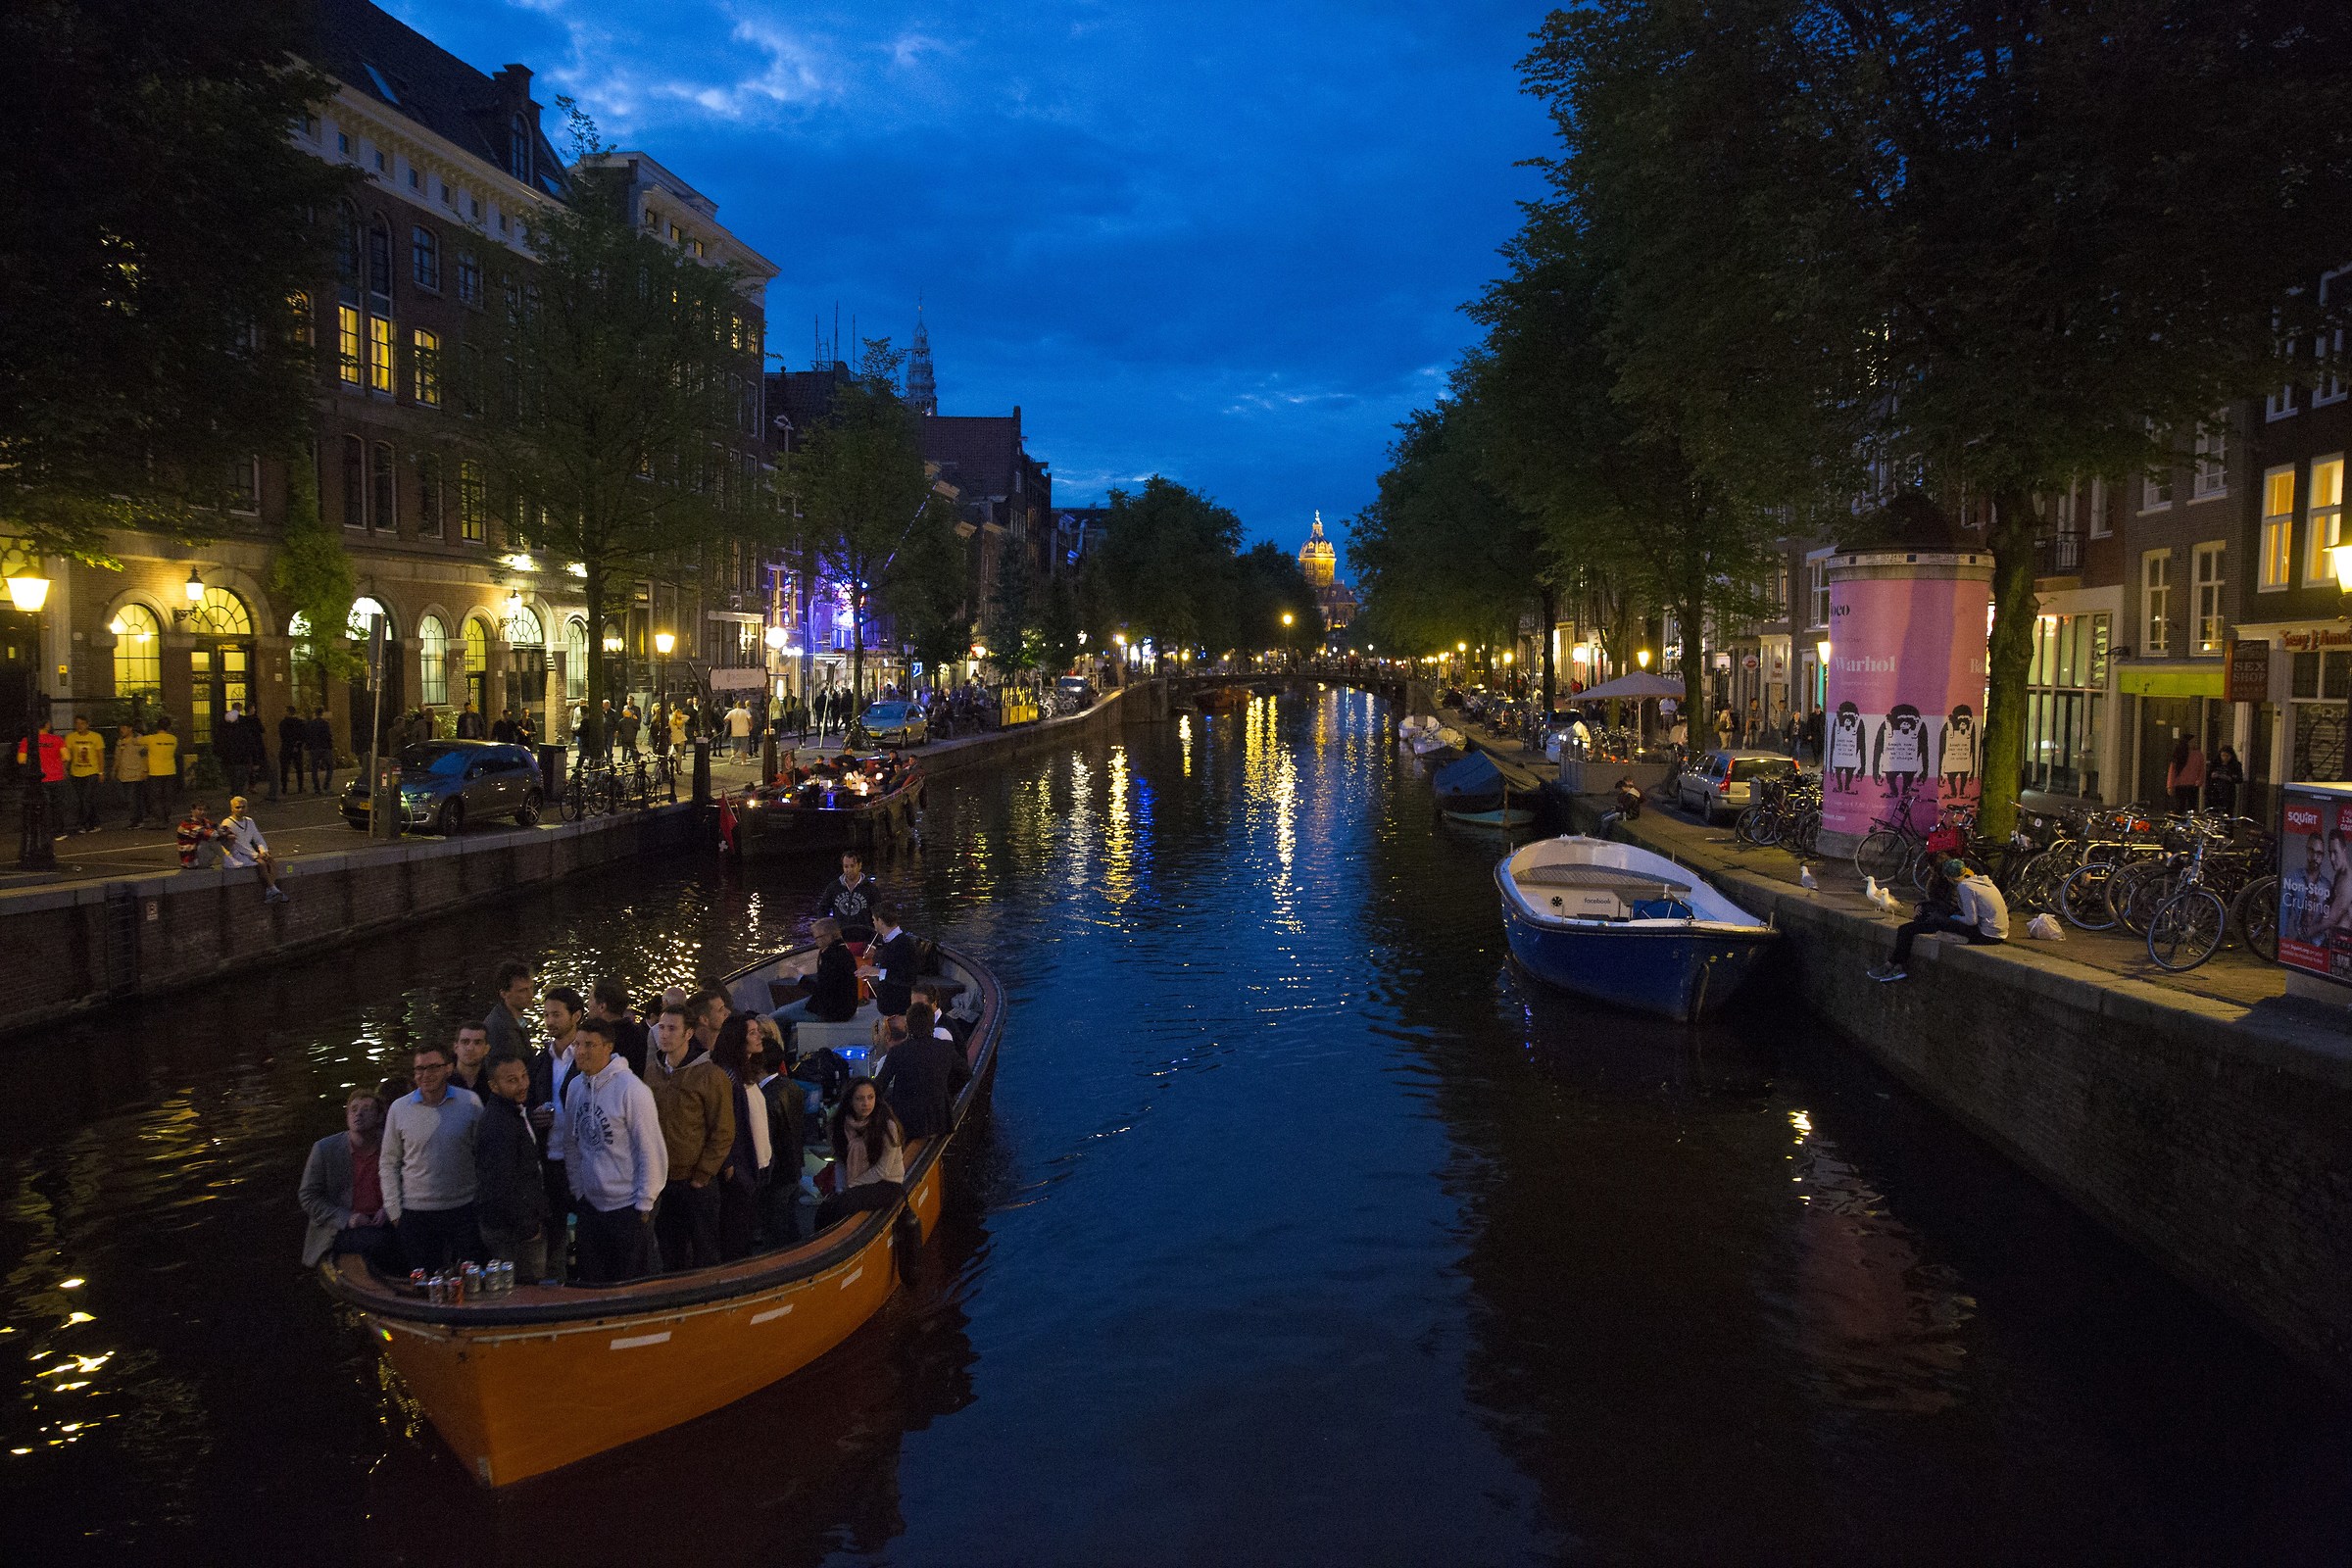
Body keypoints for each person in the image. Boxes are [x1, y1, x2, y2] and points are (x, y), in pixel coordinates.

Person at [550, 1017, 665, 1283]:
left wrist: (644, 1203)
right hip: (591, 1206)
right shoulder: (576, 1088)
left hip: (628, 1206)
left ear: (608, 1047)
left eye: (589, 1045)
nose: (581, 1051)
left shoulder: (632, 1090)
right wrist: (579, 1190)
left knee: (630, 1283)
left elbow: (649, 1148)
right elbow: (571, 1143)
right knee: (592, 1280)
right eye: (578, 1044)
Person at [645, 1003, 734, 1271]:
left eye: (672, 1029)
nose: (665, 1034)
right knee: (669, 1250)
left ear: (688, 1034)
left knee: (704, 1249)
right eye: (661, 1028)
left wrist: (703, 1174)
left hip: (695, 1182)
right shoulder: (652, 1071)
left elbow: (723, 1129)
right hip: (661, 1180)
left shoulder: (710, 1075)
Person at [379, 1042, 484, 1271]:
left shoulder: (470, 1103)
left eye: (433, 1068)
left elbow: (483, 1154)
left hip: (463, 1208)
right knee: (426, 1283)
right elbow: (389, 1162)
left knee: (473, 1277)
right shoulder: (399, 1109)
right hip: (416, 1214)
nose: (425, 1075)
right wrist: (394, 1211)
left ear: (448, 1069)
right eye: (420, 1069)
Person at [298, 1089, 399, 1272]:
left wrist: (388, 1208)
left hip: (385, 1218)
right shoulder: (324, 1149)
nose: (358, 1113)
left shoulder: (391, 1144)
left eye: (366, 1109)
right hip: (341, 1227)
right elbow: (308, 1196)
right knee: (380, 1242)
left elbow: (406, 1182)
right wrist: (347, 1218)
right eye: (353, 1109)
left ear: (379, 1117)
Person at [474, 1054, 552, 1281]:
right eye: (512, 1080)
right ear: (493, 1086)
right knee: (525, 1289)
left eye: (524, 1076)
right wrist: (528, 1227)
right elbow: (501, 1184)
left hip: (515, 1221)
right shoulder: (499, 1125)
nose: (522, 1084)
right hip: (513, 1230)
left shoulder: (516, 1111)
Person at [1869, 858, 2010, 982]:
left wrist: (1950, 919)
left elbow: (1970, 920)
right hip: (1997, 933)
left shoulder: (1964, 887)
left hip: (1987, 935)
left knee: (1917, 926)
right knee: (1920, 925)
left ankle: (1893, 965)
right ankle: (1896, 965)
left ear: (1948, 877)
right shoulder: (1980, 882)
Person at [708, 1015, 769, 1261]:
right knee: (735, 1234)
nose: (759, 1036)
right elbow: (723, 1122)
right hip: (739, 1170)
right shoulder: (728, 1077)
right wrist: (730, 1164)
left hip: (754, 1166)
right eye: (753, 1032)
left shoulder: (747, 1074)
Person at [814, 1080, 905, 1232]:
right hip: (856, 1183)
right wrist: (841, 1190)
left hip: (887, 1183)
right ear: (850, 1101)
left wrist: (850, 1187)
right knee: (825, 1208)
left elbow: (882, 1170)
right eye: (860, 1098)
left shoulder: (887, 1126)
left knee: (845, 1204)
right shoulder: (842, 1125)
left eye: (870, 1097)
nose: (866, 1103)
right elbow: (841, 1162)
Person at [874, 1001, 971, 1142]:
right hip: (940, 1122)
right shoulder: (946, 1048)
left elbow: (879, 1086)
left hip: (907, 1123)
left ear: (909, 1027)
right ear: (932, 1024)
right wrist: (946, 1092)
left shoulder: (897, 1052)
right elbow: (966, 1074)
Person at [755, 1025, 805, 1246]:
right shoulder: (791, 1087)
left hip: (776, 1175)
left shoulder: (764, 1098)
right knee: (790, 1224)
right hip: (793, 1167)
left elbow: (768, 1141)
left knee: (778, 1230)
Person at [771, 917, 859, 1033]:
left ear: (828, 936)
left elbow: (821, 991)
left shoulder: (832, 957)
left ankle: (778, 1048)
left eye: (817, 938)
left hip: (833, 1011)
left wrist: (797, 975)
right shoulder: (841, 950)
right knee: (783, 1010)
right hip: (841, 1004)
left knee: (775, 1017)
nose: (815, 942)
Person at [219, 795, 288, 903]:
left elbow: (258, 838)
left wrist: (264, 851)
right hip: (236, 854)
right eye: (238, 807)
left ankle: (271, 889)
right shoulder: (227, 823)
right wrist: (255, 855)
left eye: (243, 807)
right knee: (262, 864)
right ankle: (273, 890)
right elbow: (236, 844)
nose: (241, 810)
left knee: (271, 861)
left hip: (249, 852)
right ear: (232, 808)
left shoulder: (249, 821)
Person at [859, 905, 920, 1018]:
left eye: (874, 920)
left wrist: (876, 972)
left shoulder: (903, 944)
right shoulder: (890, 942)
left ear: (881, 921)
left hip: (898, 1009)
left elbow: (906, 977)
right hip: (890, 1007)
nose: (873, 923)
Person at [587, 978, 650, 1079]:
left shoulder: (598, 1039)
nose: (588, 1004)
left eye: (590, 999)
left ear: (602, 1006)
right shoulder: (641, 1035)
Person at [814, 851, 880, 943]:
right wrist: (827, 931)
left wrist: (873, 943)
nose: (849, 870)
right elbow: (822, 909)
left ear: (859, 866)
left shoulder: (871, 889)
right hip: (840, 940)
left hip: (865, 939)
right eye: (846, 866)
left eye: (852, 866)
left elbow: (879, 915)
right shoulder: (833, 887)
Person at [484, 960, 536, 1057]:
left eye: (531, 988)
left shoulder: (516, 1017)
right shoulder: (500, 1029)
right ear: (504, 994)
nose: (531, 995)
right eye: (522, 991)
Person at [64, 714, 106, 832]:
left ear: (87, 724)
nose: (79, 726)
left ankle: (82, 823)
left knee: (86, 798)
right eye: (77, 723)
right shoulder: (71, 737)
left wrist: (101, 772)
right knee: (83, 799)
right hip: (76, 772)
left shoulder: (96, 737)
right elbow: (69, 755)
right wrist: (65, 768)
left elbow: (100, 755)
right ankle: (94, 822)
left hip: (91, 771)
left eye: (82, 723)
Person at [114, 720, 150, 829]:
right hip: (124, 774)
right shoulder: (120, 741)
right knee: (132, 798)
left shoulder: (139, 740)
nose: (122, 730)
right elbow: (117, 757)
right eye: (121, 728)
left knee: (133, 798)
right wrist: (115, 770)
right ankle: (138, 819)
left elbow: (145, 756)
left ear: (130, 728)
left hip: (136, 773)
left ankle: (135, 820)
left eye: (124, 728)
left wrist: (145, 770)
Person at [2166, 735, 2207, 815]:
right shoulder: (2179, 754)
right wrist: (2170, 785)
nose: (2194, 743)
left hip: (2192, 785)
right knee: (2179, 806)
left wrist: (2199, 781)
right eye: (2191, 742)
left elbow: (2201, 769)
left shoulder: (2199, 755)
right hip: (2179, 784)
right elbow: (2172, 771)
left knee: (2191, 807)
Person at [449, 1021, 492, 1097]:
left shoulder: (493, 1083)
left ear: (486, 1049)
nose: (470, 1048)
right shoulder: (442, 1081)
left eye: (477, 1042)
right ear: (456, 1047)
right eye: (465, 1042)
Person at [145, 717, 179, 808]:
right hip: (170, 770)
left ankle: (160, 815)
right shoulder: (173, 739)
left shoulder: (150, 739)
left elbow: (135, 741)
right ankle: (167, 813)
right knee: (168, 795)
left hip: (155, 771)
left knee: (156, 796)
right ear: (169, 727)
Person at [175, 799, 220, 869]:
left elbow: (221, 828)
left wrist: (227, 833)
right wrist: (222, 833)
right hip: (191, 861)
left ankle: (233, 858)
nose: (203, 812)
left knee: (225, 838)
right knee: (211, 841)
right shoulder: (186, 825)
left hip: (200, 858)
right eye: (199, 809)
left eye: (205, 810)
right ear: (192, 810)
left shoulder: (205, 822)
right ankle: (228, 860)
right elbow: (211, 835)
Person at [2207, 745, 2245, 817]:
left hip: (2228, 793)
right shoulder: (2215, 764)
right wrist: (2213, 776)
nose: (2225, 758)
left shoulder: (2236, 765)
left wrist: (2229, 778)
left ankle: (2228, 827)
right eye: (2223, 755)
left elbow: (2240, 779)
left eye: (2227, 756)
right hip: (2215, 791)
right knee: (2214, 813)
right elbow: (2208, 776)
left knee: (2228, 813)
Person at [277, 710, 308, 797]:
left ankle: (284, 788)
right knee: (299, 768)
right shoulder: (300, 723)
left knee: (284, 769)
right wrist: (297, 745)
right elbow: (303, 736)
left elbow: (282, 736)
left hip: (286, 747)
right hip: (296, 748)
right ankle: (300, 787)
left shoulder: (283, 723)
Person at [306, 708, 335, 795]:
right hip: (325, 748)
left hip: (314, 748)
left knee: (314, 768)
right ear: (322, 713)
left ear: (315, 713)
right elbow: (328, 736)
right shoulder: (325, 724)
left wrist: (309, 746)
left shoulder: (310, 724)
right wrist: (330, 746)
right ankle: (326, 785)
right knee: (329, 767)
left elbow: (308, 736)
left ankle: (317, 788)